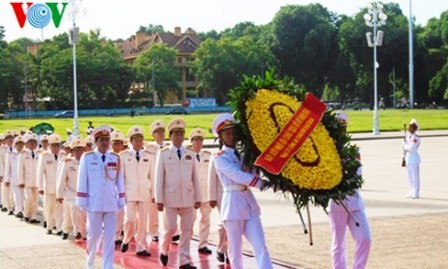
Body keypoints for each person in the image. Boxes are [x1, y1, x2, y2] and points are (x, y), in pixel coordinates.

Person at [211, 113, 273, 269]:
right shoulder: (219, 157)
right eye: (227, 134)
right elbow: (238, 175)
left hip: (248, 203)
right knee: (236, 250)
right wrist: (262, 183)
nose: (231, 136)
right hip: (232, 205)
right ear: (221, 137)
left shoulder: (244, 155)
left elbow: (252, 174)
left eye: (233, 133)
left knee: (261, 246)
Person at [154, 118, 201, 269]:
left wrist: (198, 197)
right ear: (170, 136)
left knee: (187, 230)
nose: (179, 137)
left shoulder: (190, 153)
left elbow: (196, 177)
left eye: (181, 133)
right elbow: (158, 178)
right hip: (170, 198)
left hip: (187, 197)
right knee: (171, 229)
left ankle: (184, 260)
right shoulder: (163, 154)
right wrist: (159, 199)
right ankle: (164, 248)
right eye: (176, 134)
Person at [76, 125, 125, 269]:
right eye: (102, 140)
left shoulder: (115, 158)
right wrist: (82, 201)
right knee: (94, 235)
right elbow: (82, 180)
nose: (105, 142)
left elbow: (119, 180)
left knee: (110, 237)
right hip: (94, 202)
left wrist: (121, 199)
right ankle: (90, 261)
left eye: (107, 139)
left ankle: (107, 266)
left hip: (111, 202)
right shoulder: (87, 157)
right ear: (96, 142)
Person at [328, 111, 371, 269]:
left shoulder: (353, 149)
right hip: (336, 203)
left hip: (354, 202)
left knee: (365, 238)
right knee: (338, 244)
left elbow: (358, 173)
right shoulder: (327, 150)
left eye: (343, 127)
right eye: (338, 127)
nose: (341, 130)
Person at [120, 126, 153, 257]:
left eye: (140, 140)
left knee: (143, 222)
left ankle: (141, 247)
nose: (138, 143)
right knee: (130, 219)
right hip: (130, 192)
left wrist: (154, 194)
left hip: (144, 192)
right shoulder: (123, 156)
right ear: (131, 142)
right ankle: (127, 239)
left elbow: (152, 176)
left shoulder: (148, 156)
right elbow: (121, 177)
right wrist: (121, 194)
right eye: (136, 140)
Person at [56, 136, 87, 241]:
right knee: (73, 209)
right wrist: (59, 194)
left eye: (81, 150)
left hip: (84, 193)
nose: (79, 152)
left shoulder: (87, 162)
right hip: (71, 192)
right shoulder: (67, 162)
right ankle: (75, 231)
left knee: (81, 213)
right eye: (76, 150)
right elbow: (61, 179)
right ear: (72, 151)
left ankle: (81, 231)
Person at [188, 128, 213, 255]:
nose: (198, 143)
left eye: (200, 140)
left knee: (205, 220)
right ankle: (186, 242)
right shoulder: (187, 156)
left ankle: (203, 244)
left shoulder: (208, 155)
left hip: (205, 193)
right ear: (191, 142)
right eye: (195, 140)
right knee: (189, 220)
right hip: (191, 195)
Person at [37, 133, 66, 235]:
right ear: (49, 146)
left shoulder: (63, 156)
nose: (56, 147)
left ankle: (59, 228)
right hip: (49, 187)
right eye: (53, 145)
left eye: (58, 145)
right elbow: (40, 172)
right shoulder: (44, 156)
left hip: (61, 188)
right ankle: (49, 226)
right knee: (49, 208)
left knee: (60, 209)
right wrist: (40, 187)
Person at [207, 150, 229, 263]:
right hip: (221, 194)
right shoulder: (216, 155)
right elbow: (211, 177)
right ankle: (221, 248)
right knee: (223, 224)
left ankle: (228, 251)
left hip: (235, 195)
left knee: (233, 224)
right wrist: (212, 197)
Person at [17, 133, 40, 223]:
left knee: (35, 199)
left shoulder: (40, 153)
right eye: (30, 143)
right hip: (27, 180)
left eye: (34, 143)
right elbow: (20, 169)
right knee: (29, 198)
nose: (32, 145)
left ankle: (33, 216)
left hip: (37, 181)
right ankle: (26, 214)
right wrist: (21, 181)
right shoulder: (23, 154)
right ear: (27, 144)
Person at [4, 135, 26, 219]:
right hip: (14, 178)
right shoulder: (10, 154)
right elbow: (7, 167)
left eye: (21, 144)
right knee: (17, 195)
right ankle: (18, 210)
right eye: (18, 144)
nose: (20, 145)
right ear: (15, 144)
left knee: (23, 196)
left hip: (24, 179)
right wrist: (7, 179)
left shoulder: (25, 154)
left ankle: (23, 209)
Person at [110, 130, 126, 244]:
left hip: (124, 188)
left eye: (119, 143)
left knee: (121, 212)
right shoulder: (107, 156)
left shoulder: (126, 156)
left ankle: (118, 233)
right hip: (110, 188)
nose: (117, 146)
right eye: (114, 143)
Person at [403, 119, 421, 199]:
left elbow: (412, 148)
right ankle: (412, 189)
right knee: (409, 176)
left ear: (414, 128)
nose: (409, 128)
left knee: (415, 176)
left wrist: (405, 146)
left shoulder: (416, 138)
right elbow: (404, 147)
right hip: (408, 158)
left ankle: (416, 192)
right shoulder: (408, 137)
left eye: (411, 127)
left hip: (414, 158)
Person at [0, 130, 15, 214]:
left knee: (13, 191)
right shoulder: (2, 149)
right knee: (6, 190)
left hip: (14, 172)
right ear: (5, 140)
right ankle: (8, 207)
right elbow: (1, 162)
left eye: (11, 138)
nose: (10, 140)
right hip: (5, 172)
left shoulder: (16, 148)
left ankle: (13, 206)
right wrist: (1, 174)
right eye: (8, 138)